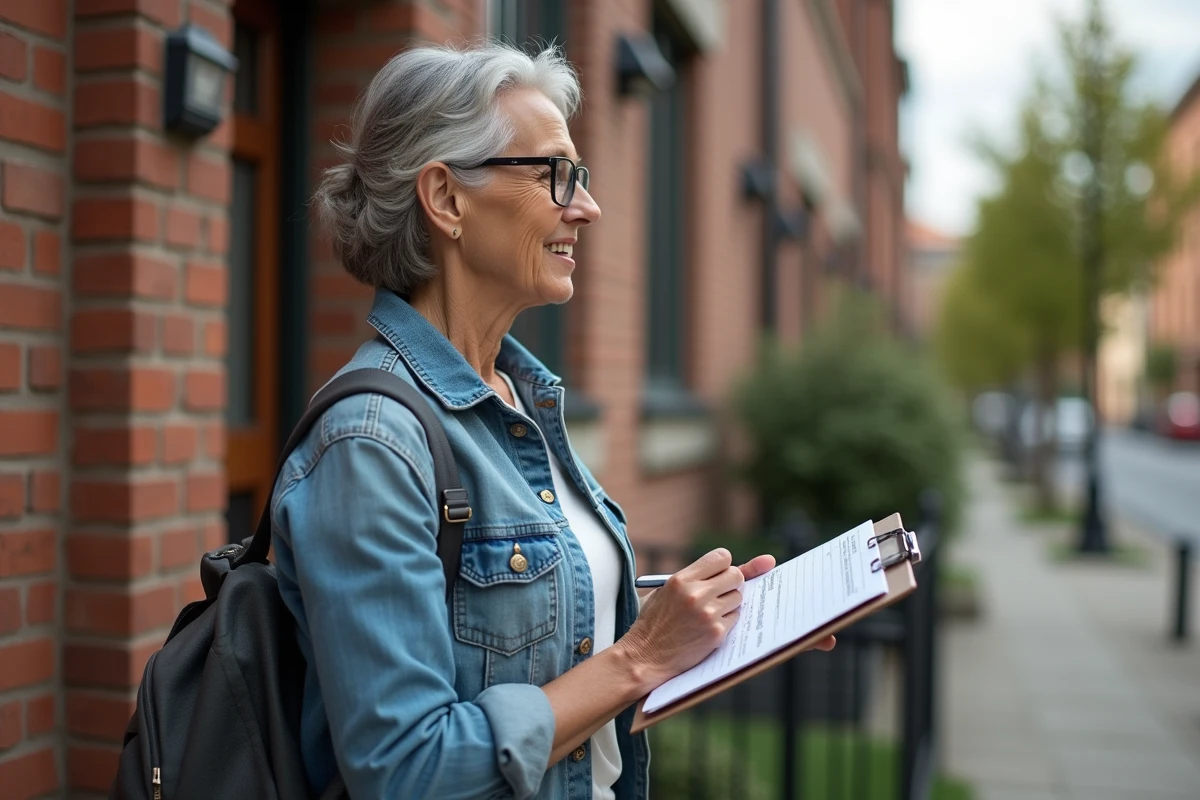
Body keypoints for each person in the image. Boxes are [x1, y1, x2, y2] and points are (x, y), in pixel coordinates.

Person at [273, 41, 834, 800]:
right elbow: (405, 769)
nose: (587, 207)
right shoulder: (372, 443)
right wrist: (638, 657)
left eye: (584, 177)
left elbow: (516, 619)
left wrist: (710, 619)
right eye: (556, 175)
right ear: (445, 199)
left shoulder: (516, 398)